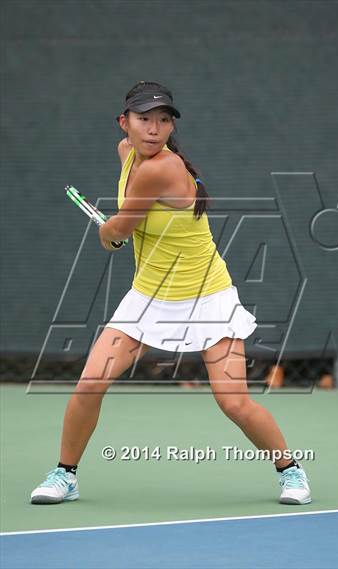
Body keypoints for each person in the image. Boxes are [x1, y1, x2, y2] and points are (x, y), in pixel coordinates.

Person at [31, 81, 311, 506]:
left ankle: (290, 471)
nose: (154, 128)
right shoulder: (126, 154)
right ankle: (65, 474)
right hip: (148, 297)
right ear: (124, 123)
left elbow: (117, 232)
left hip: (206, 296)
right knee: (90, 383)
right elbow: (132, 225)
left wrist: (108, 234)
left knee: (233, 403)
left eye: (163, 120)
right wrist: (120, 231)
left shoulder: (161, 168)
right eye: (145, 119)